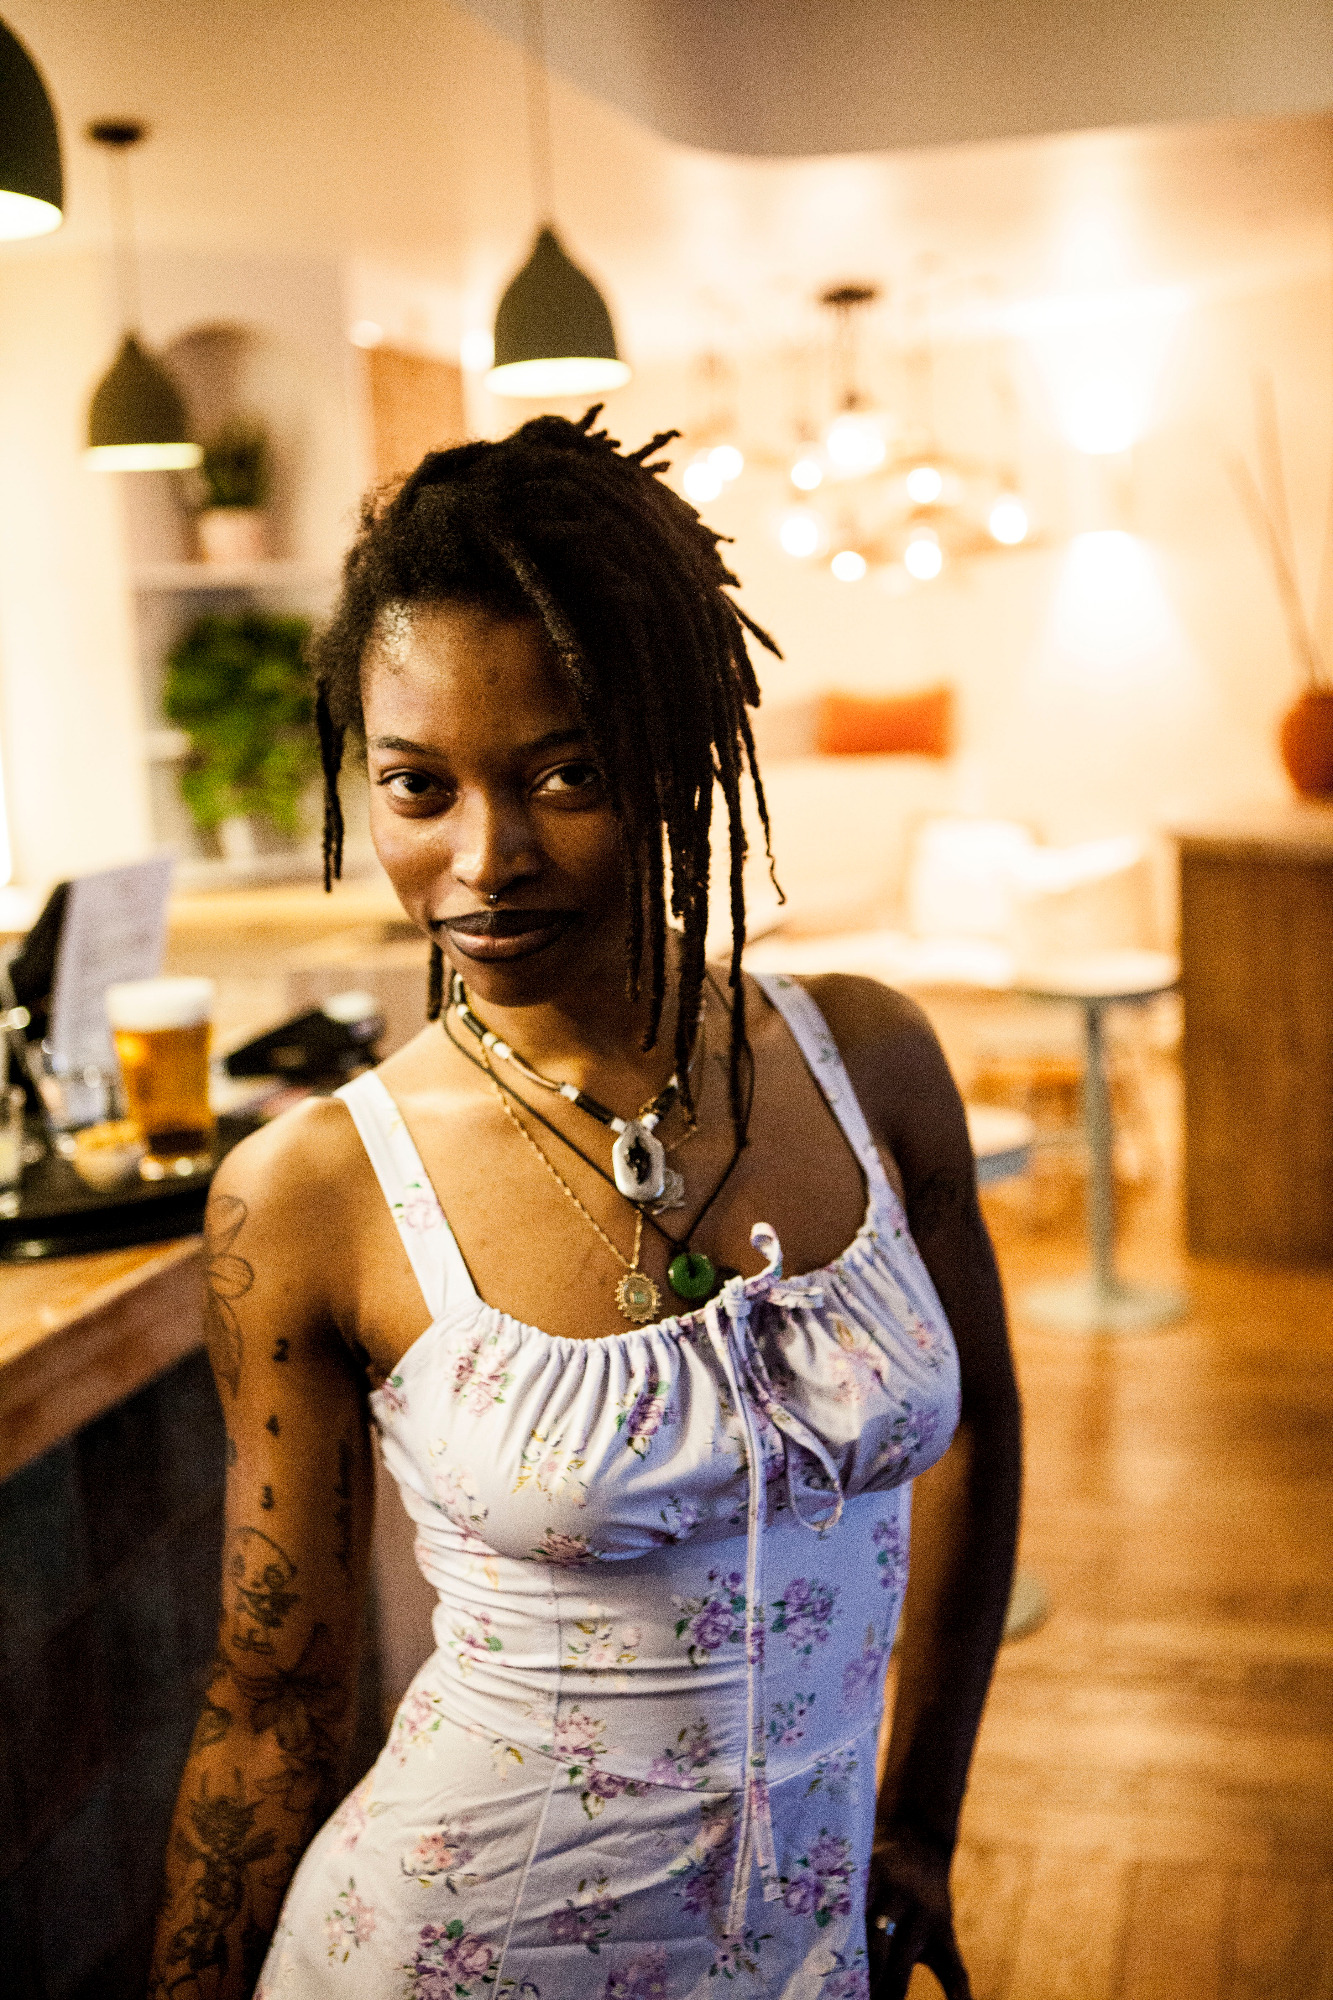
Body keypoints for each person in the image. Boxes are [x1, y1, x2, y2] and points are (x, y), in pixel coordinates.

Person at [148, 410, 1020, 2000]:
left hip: (807, 1944)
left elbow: (977, 1444)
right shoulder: (315, 1192)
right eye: (417, 788)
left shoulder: (871, 1062)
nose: (485, 861)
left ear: (683, 751)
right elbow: (274, 1696)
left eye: (564, 774)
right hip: (460, 1956)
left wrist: (919, 1820)